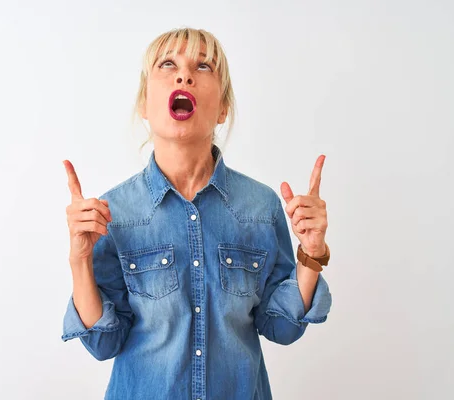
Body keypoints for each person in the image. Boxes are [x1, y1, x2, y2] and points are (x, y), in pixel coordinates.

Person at [61, 27, 332, 400]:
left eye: (203, 67)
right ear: (144, 102)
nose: (184, 74)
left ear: (222, 108)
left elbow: (282, 328)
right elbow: (103, 343)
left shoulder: (260, 206)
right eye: (167, 64)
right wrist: (79, 259)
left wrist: (312, 254)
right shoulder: (113, 213)